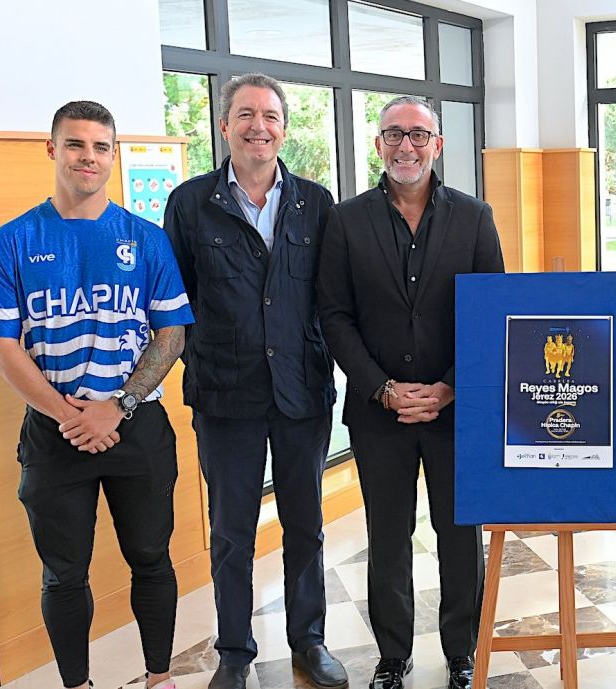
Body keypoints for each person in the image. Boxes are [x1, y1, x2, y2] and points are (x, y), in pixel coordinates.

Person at [0, 101, 193, 689]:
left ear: (114, 155)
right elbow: (0, 343)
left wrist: (115, 406)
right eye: (75, 144)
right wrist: (68, 414)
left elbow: (171, 334)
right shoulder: (13, 240)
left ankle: (159, 677)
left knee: (151, 558)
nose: (88, 157)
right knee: (63, 574)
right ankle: (79, 684)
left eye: (100, 146)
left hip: (136, 426)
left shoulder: (144, 239)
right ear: (53, 150)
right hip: (54, 433)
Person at [163, 73, 346, 689]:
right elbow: (174, 306)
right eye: (245, 114)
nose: (257, 126)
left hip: (301, 393)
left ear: (284, 129)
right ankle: (235, 654)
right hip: (225, 396)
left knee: (305, 526)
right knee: (231, 533)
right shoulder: (189, 204)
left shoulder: (316, 203)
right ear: (224, 125)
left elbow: (331, 299)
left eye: (270, 115)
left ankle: (309, 641)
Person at [316, 95, 504, 689]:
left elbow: (492, 312)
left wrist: (451, 387)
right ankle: (393, 656)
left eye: (419, 135)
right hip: (379, 414)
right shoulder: (346, 220)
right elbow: (334, 315)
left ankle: (461, 653)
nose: (407, 146)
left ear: (437, 145)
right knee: (388, 537)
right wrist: (383, 388)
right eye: (394, 134)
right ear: (378, 145)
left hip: (456, 412)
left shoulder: (474, 217)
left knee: (458, 535)